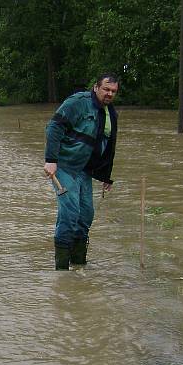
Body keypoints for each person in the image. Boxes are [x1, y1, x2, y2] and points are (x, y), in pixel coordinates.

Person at [44, 74, 119, 270]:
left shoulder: (111, 113)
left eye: (113, 91)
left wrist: (106, 176)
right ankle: (62, 271)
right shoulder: (77, 102)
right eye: (106, 89)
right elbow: (54, 127)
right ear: (96, 88)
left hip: (85, 170)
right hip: (64, 166)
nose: (109, 94)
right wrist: (51, 160)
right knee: (69, 214)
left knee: (86, 215)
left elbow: (109, 145)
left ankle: (79, 265)